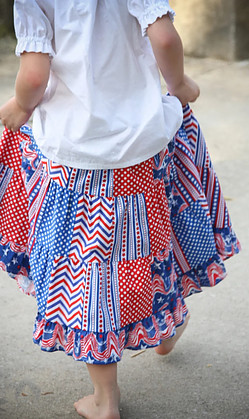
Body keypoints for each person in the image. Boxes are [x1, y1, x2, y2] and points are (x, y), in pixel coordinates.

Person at [0, 1, 240, 418]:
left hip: (75, 163)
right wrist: (179, 83)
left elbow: (35, 74)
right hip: (144, 148)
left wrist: (21, 108)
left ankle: (105, 400)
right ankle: (167, 324)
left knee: (92, 280)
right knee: (150, 245)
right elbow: (164, 36)